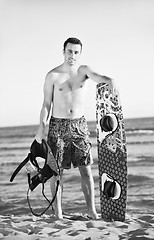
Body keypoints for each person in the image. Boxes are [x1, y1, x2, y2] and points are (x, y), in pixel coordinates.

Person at [35, 37, 115, 220]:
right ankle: (59, 213)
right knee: (56, 173)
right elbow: (46, 103)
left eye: (76, 52)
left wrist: (110, 80)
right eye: (69, 51)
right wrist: (41, 126)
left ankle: (92, 211)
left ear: (80, 53)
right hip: (58, 127)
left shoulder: (83, 71)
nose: (72, 55)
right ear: (63, 51)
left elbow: (98, 77)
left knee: (86, 170)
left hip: (79, 126)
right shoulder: (53, 75)